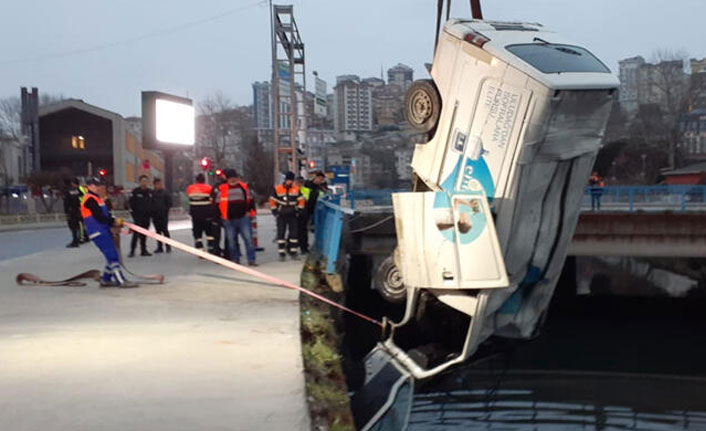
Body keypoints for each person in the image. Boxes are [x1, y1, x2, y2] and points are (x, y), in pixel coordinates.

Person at [80, 177, 136, 288]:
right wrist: (113, 221)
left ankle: (106, 279)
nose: (99, 187)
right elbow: (99, 216)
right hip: (97, 231)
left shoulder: (97, 199)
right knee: (113, 256)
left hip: (103, 230)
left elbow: (105, 215)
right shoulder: (89, 199)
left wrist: (113, 221)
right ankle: (121, 280)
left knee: (111, 255)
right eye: (96, 185)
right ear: (90, 186)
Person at [218, 169, 257, 266]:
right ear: (227, 179)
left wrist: (250, 212)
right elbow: (217, 204)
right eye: (230, 178)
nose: (232, 180)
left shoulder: (244, 187)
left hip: (243, 217)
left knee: (248, 239)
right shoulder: (222, 189)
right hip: (228, 219)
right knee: (232, 241)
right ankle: (235, 260)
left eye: (234, 178)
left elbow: (251, 201)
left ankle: (251, 260)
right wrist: (221, 217)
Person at [270, 171, 305, 261]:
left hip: (293, 215)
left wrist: (299, 210)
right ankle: (282, 253)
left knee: (294, 234)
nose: (290, 182)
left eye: (291, 180)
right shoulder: (278, 189)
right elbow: (272, 200)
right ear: (285, 180)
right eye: (288, 180)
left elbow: (301, 200)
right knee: (281, 234)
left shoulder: (296, 189)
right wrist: (275, 212)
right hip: (281, 215)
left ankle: (293, 252)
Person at [186, 173, 215, 253]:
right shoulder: (209, 188)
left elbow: (189, 198)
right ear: (204, 180)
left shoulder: (190, 188)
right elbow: (212, 200)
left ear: (196, 180)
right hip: (207, 214)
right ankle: (211, 247)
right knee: (209, 232)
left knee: (197, 233)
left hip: (195, 214)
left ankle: (200, 249)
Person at [299, 171, 327, 253]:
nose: (320, 181)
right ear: (315, 177)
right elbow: (305, 196)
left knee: (310, 229)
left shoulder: (320, 188)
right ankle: (303, 247)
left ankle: (307, 246)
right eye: (319, 179)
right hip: (304, 210)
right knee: (302, 230)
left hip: (314, 211)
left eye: (322, 180)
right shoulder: (307, 185)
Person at [128, 175, 153, 257]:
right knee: (136, 234)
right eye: (142, 181)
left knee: (144, 233)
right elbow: (131, 204)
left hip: (147, 216)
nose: (144, 183)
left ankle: (143, 250)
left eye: (145, 181)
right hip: (138, 216)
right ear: (139, 182)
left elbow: (153, 203)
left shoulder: (150, 192)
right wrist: (134, 215)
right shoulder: (135, 192)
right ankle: (132, 250)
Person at [151, 178, 172, 253]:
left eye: (160, 184)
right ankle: (159, 247)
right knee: (158, 232)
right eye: (157, 184)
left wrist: (165, 210)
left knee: (165, 230)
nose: (159, 185)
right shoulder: (152, 193)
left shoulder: (165, 193)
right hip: (155, 215)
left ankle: (168, 246)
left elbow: (169, 203)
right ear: (154, 185)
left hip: (163, 215)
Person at [63, 178, 82, 248]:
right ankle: (77, 240)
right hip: (77, 210)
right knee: (77, 226)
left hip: (71, 212)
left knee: (73, 226)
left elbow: (66, 203)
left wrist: (66, 212)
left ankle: (75, 241)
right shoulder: (77, 191)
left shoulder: (68, 192)